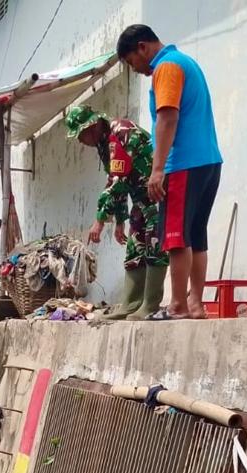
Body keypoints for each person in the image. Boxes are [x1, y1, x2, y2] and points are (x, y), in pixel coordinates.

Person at [116, 24, 223, 319]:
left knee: (176, 238)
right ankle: (195, 304)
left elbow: (167, 118)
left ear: (141, 47)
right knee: (196, 236)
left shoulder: (167, 67)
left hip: (184, 164)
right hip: (209, 162)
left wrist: (158, 169)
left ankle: (177, 305)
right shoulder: (188, 63)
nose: (134, 68)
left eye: (130, 61)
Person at [65, 104, 169, 320]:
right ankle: (131, 304)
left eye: (80, 136)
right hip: (139, 199)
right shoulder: (104, 143)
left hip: (157, 194)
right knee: (135, 247)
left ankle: (149, 304)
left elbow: (116, 181)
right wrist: (120, 220)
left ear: (91, 127)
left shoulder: (120, 133)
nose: (80, 142)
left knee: (154, 245)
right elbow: (118, 176)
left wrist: (100, 221)